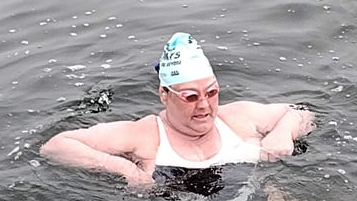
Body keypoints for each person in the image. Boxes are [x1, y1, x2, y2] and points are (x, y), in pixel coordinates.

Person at [40, 32, 315, 187]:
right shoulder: (145, 135)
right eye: (190, 96)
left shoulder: (237, 118)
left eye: (211, 92)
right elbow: (56, 146)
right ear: (165, 95)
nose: (204, 105)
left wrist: (283, 133)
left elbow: (301, 112)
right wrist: (125, 170)